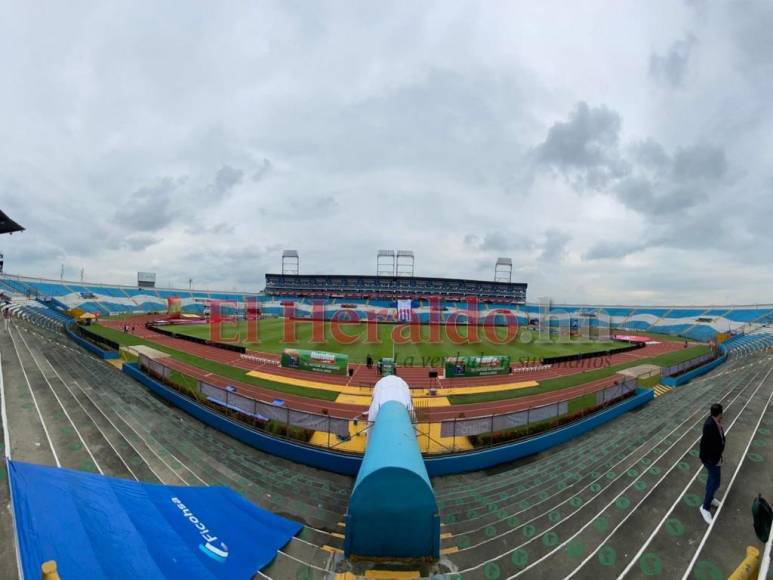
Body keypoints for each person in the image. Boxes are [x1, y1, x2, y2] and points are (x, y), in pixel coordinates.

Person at [699, 403, 725, 524]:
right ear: (719, 414)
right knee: (716, 482)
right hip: (711, 460)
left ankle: (710, 498)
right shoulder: (709, 425)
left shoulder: (714, 422)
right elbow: (704, 444)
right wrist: (710, 460)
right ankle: (705, 507)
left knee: (712, 479)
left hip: (714, 458)